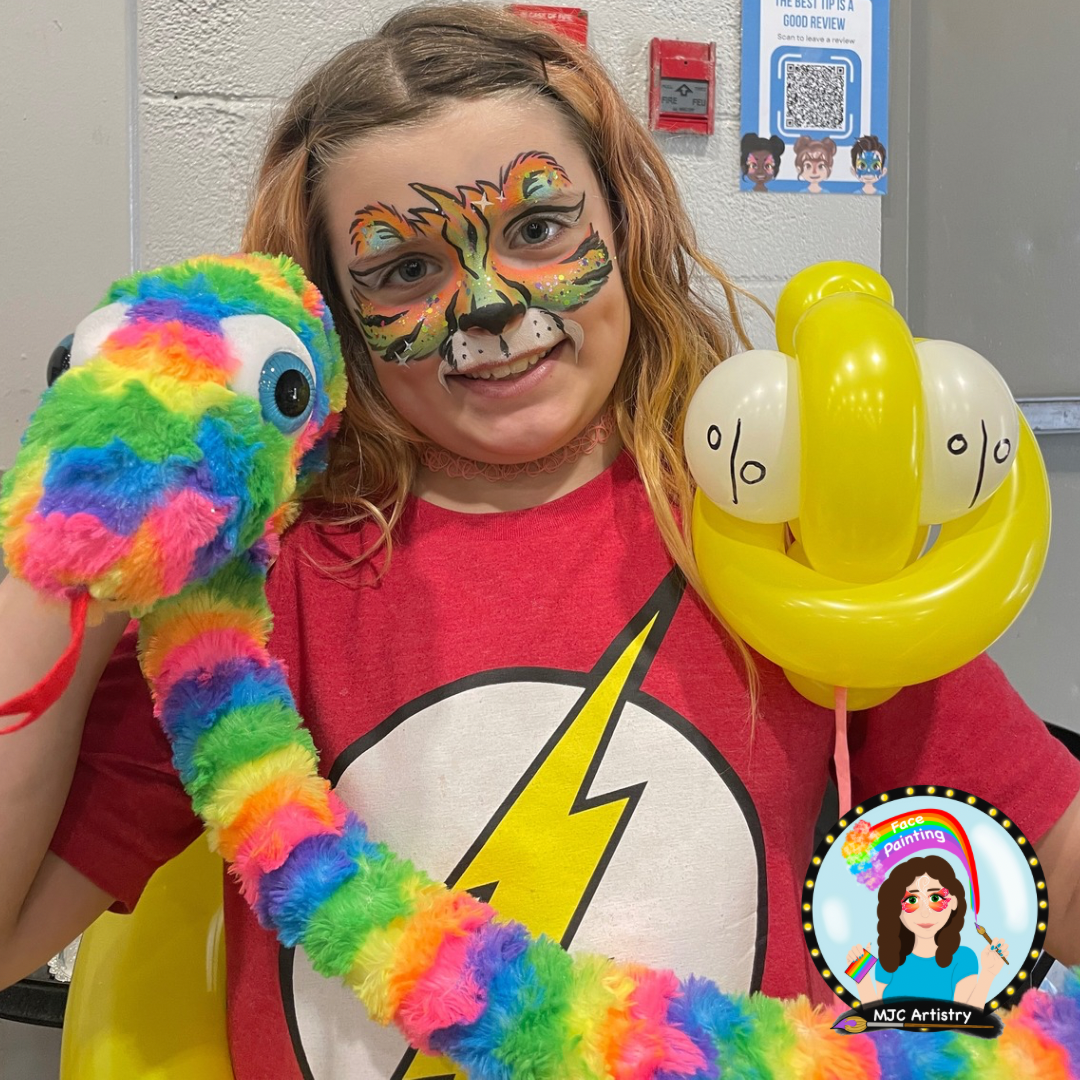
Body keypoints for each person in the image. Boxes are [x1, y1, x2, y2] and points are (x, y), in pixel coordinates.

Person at [1, 5, 1078, 1077]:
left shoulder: (769, 530)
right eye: (403, 269)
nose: (485, 305)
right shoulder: (261, 591)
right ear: (330, 309)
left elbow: (1057, 881)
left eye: (536, 229)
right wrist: (74, 540)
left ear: (625, 221)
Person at [846, 855, 1008, 1007]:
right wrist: (861, 975)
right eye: (912, 900)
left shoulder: (964, 959)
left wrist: (988, 974)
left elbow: (965, 1023)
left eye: (935, 898)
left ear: (953, 903)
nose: (924, 912)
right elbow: (877, 1023)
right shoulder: (888, 959)